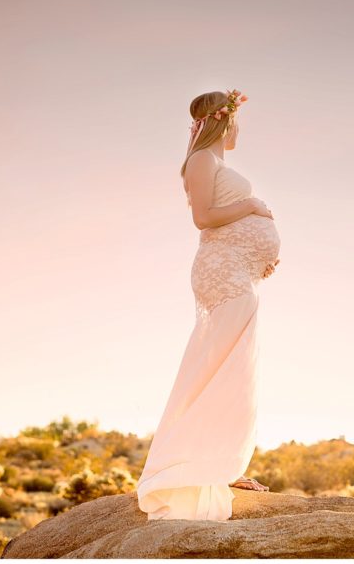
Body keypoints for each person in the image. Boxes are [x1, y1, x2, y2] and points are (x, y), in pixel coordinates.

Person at [136, 89, 280, 521]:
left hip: (237, 270)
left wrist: (256, 258)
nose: (239, 129)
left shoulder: (214, 163)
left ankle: (219, 464)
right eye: (236, 121)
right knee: (222, 367)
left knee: (233, 366)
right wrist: (253, 206)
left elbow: (222, 221)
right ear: (225, 120)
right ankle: (205, 465)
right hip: (222, 273)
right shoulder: (202, 161)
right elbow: (203, 217)